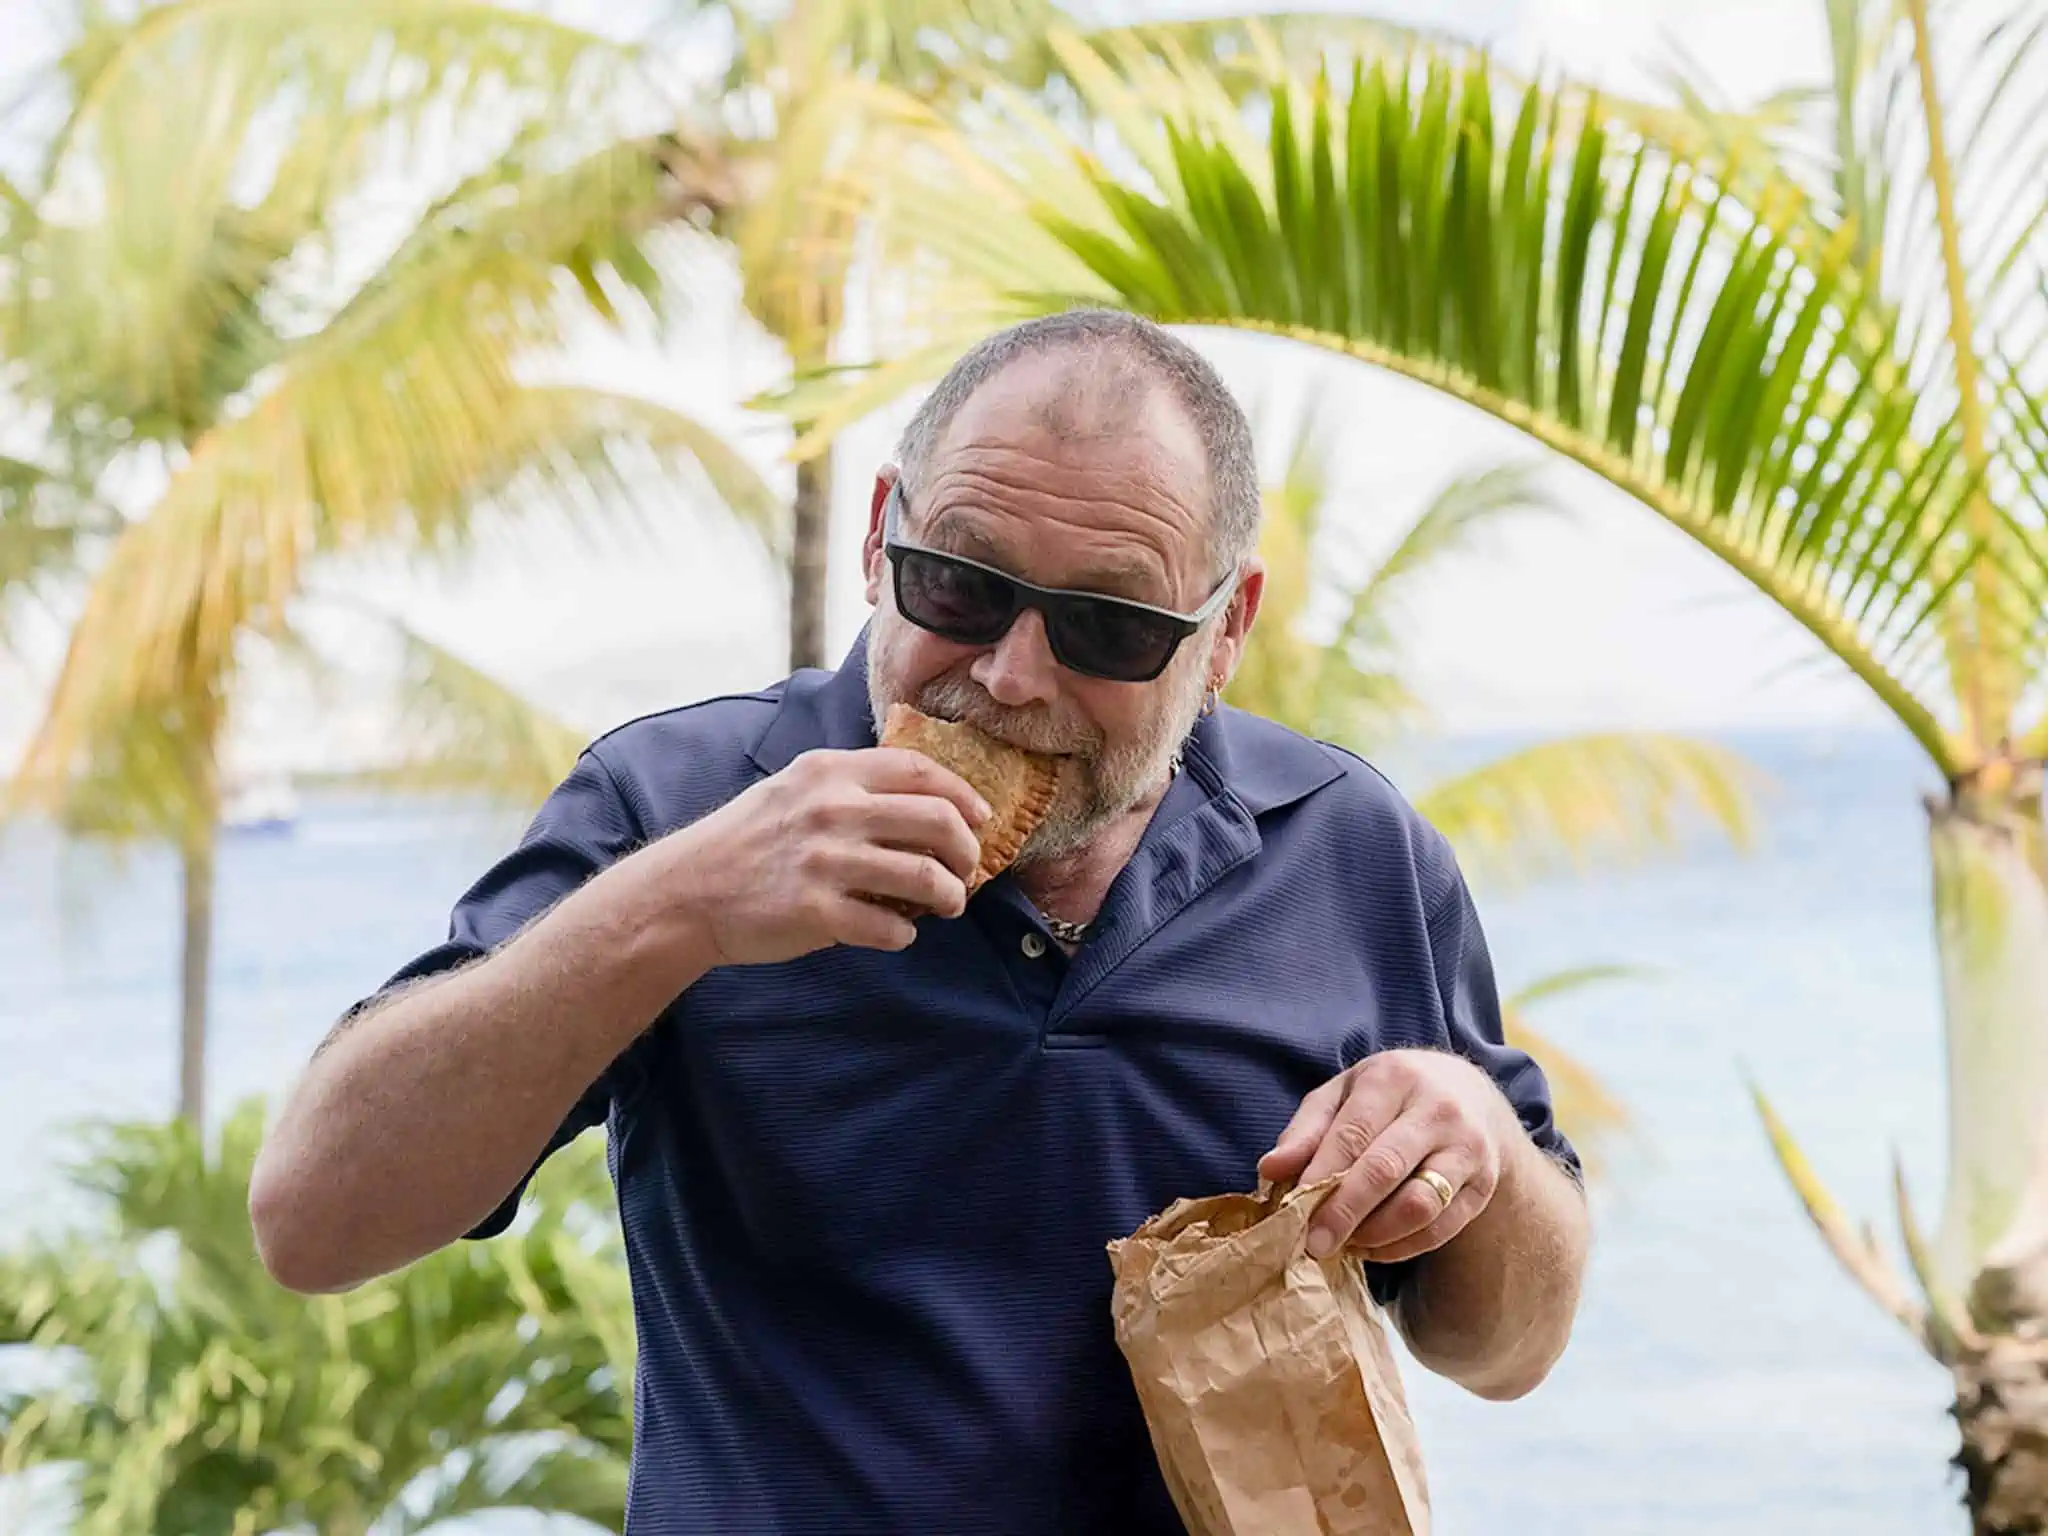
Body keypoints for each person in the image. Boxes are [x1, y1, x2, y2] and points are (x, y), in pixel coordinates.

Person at [249, 308, 1591, 1533]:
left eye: (1107, 627)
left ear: (1223, 628)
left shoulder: (1351, 854)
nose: (1012, 673)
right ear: (884, 535)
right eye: (961, 584)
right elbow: (315, 1221)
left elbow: (1508, 1348)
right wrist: (682, 907)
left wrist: (1474, 1140)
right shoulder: (679, 807)